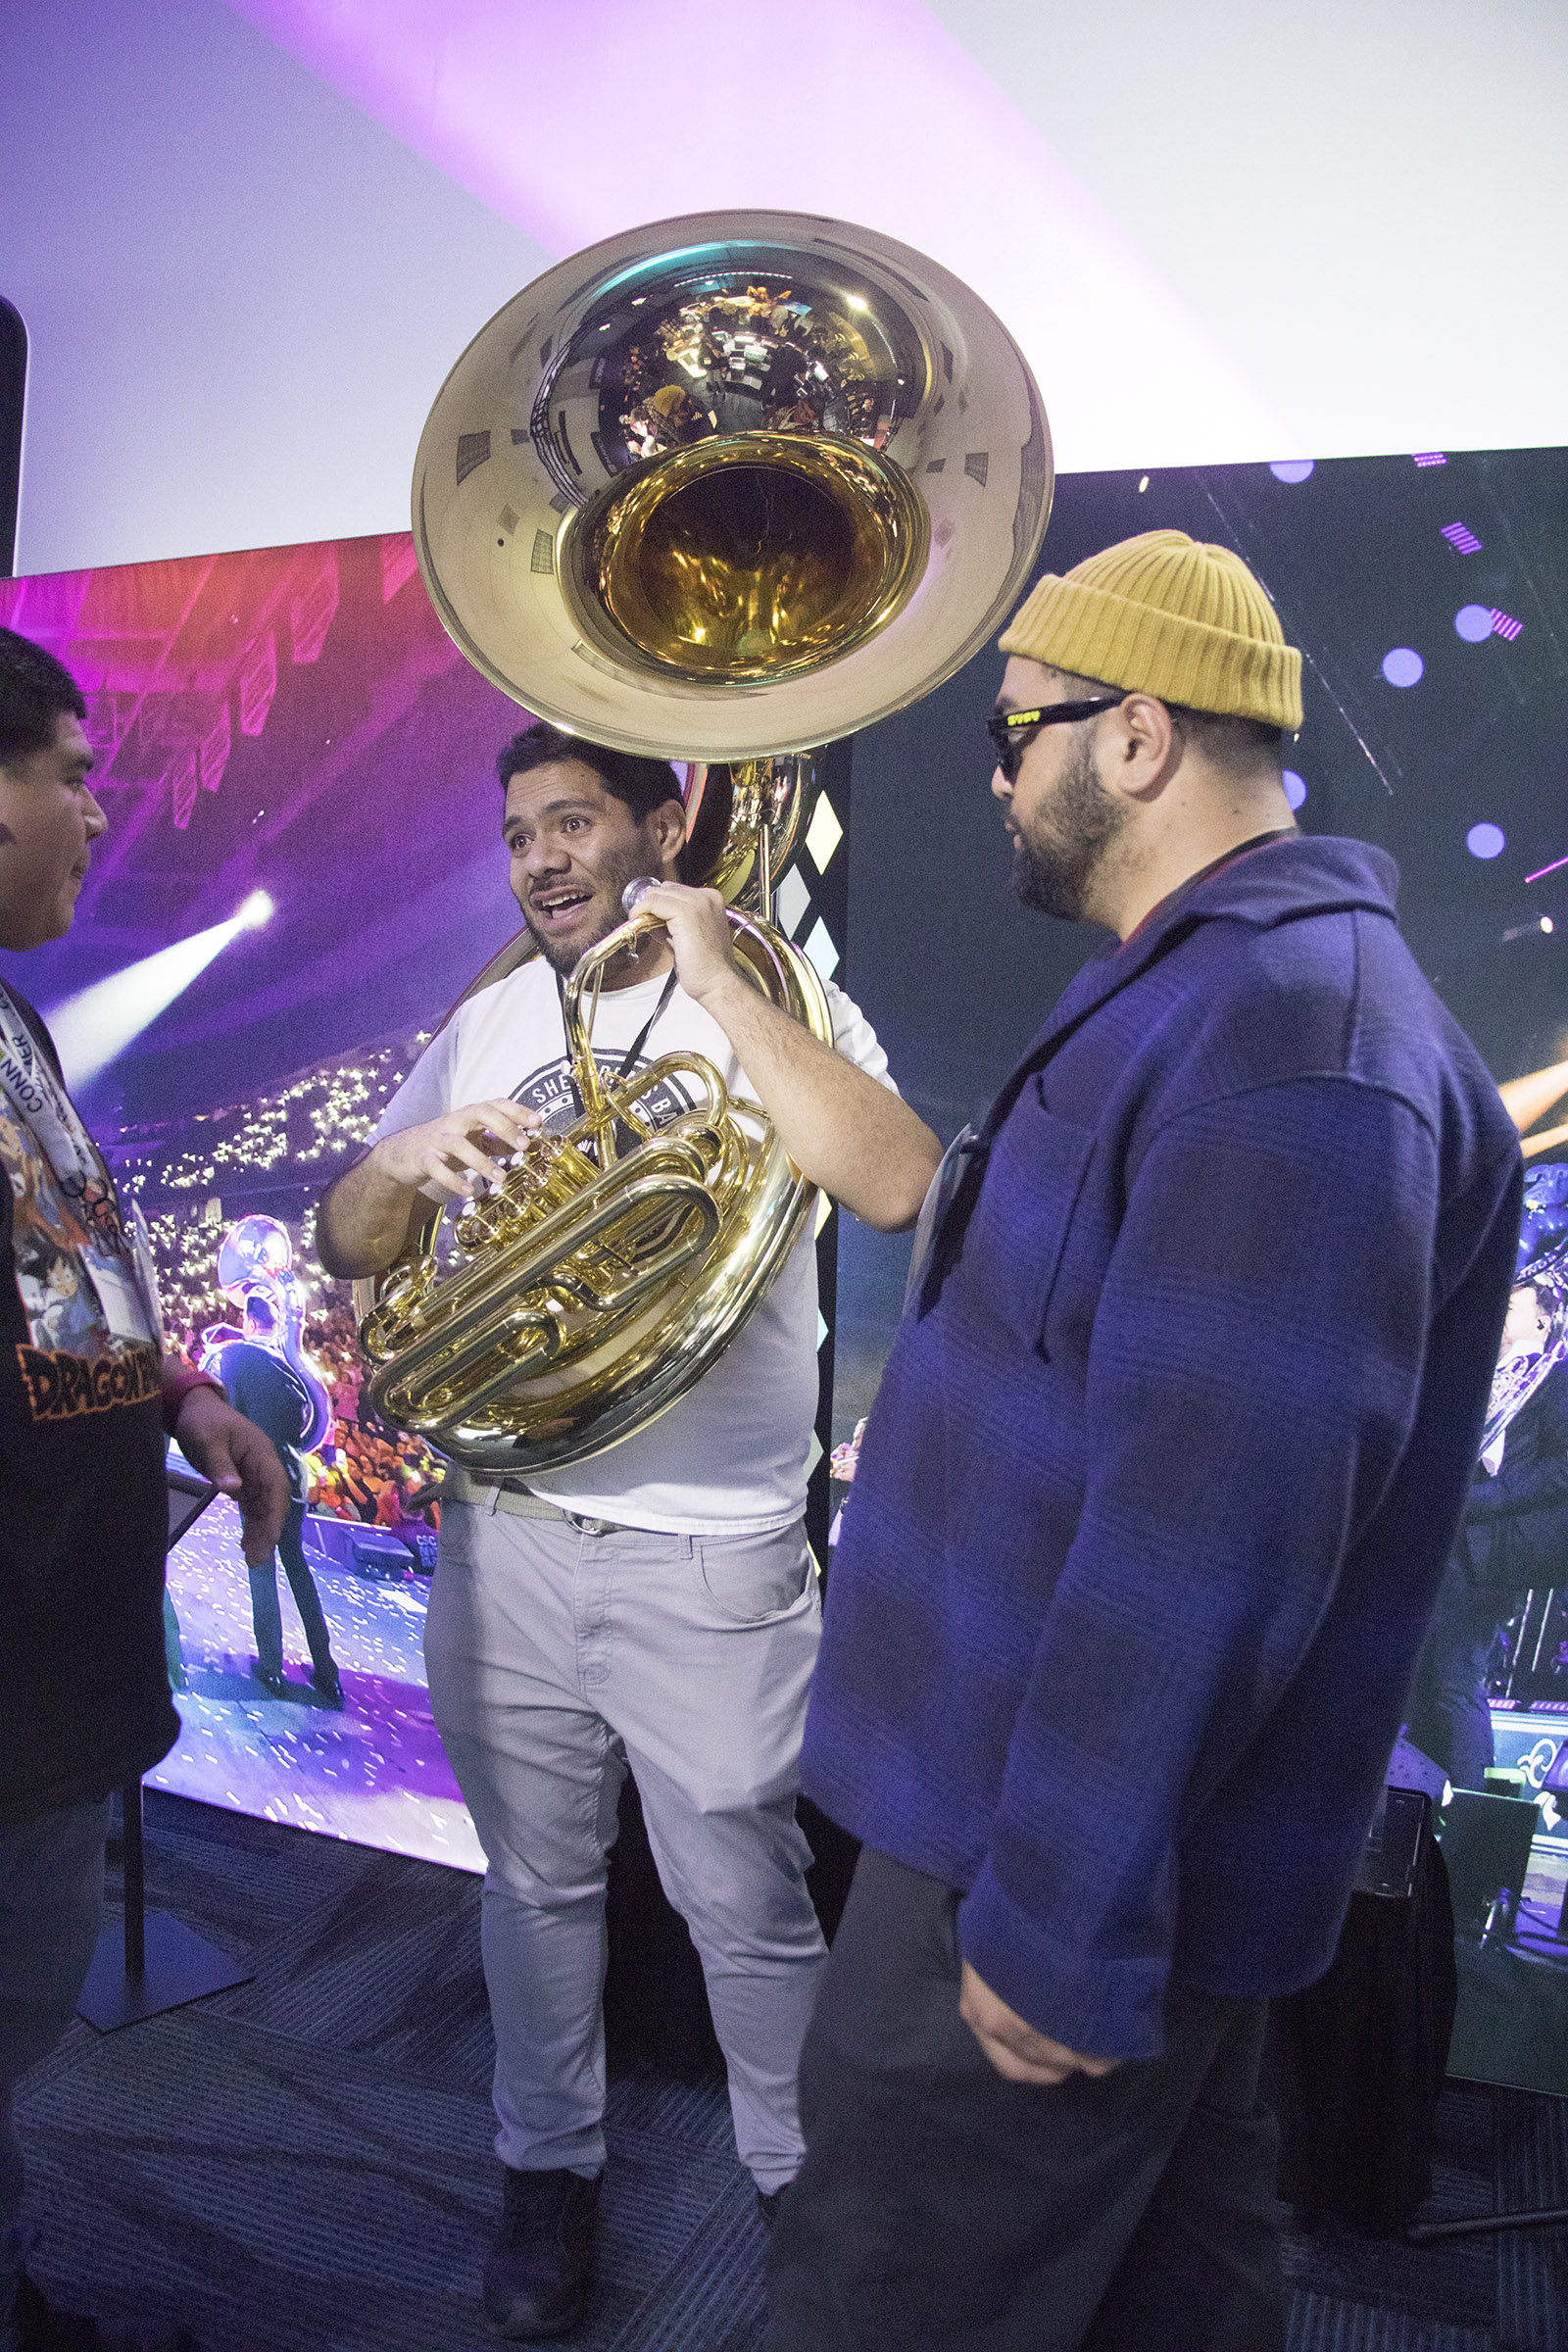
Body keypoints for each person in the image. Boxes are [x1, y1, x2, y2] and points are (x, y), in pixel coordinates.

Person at [761, 530, 1524, 2352]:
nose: (996, 778)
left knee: (890, 2293)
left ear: (1136, 734)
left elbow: (1213, 1541)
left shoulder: (1294, 1038)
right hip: (1045, 1825)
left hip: (1029, 1858)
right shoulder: (1221, 990)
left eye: (1012, 732)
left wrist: (1060, 1914)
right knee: (1174, 2292)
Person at [316, 723, 940, 2339]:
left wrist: (723, 978)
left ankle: (804, 2200)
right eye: (520, 832)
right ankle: (548, 2172)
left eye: (575, 822)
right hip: (507, 1533)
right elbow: (349, 1236)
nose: (542, 859)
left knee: (748, 1904)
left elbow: (897, 1184)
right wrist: (397, 1159)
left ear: (664, 826)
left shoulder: (776, 997)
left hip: (711, 1551)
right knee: (533, 1888)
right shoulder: (489, 1020)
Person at [0, 627, 290, 2352]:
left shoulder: (16, 1017)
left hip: (53, 1671)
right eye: (71, 775)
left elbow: (56, 1286)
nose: (99, 814)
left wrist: (181, 1397)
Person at [1405, 1272, 1568, 1788]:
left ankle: (1467, 1815)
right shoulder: (1477, 1374)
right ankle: (1421, 1804)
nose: (1498, 1314)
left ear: (1542, 1320)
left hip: (1487, 1552)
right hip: (1441, 1536)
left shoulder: (1555, 1379)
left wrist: (1479, 1501)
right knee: (1417, 1682)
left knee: (1453, 1683)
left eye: (1511, 1308)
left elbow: (1562, 1468)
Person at [209, 1292, 343, 1704]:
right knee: (298, 1569)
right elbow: (311, 1422)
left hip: (262, 1477)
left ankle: (271, 1667)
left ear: (248, 1322)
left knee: (262, 1568)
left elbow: (226, 1413)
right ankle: (327, 1672)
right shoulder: (291, 1362)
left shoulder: (235, 1356)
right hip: (296, 1477)